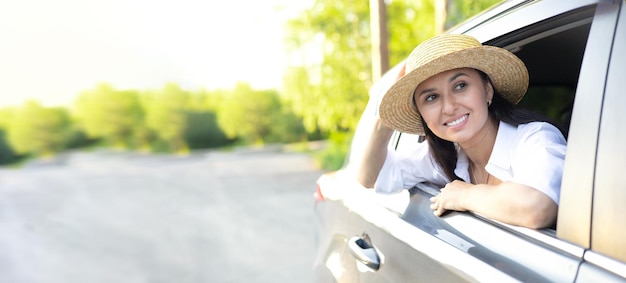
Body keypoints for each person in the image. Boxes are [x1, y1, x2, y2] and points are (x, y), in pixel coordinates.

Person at [349, 34, 567, 229]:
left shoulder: (535, 139)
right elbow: (370, 177)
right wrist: (384, 122)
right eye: (431, 97)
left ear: (487, 90)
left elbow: (537, 208)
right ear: (422, 115)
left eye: (460, 86)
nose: (449, 107)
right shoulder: (443, 157)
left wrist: (466, 195)